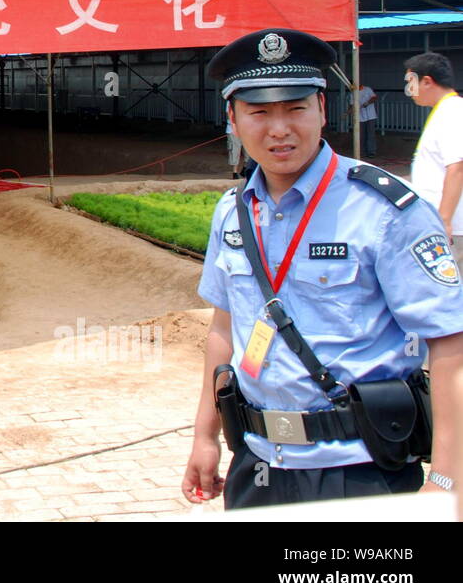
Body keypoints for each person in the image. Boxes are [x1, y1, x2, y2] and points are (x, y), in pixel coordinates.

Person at [182, 28, 463, 509]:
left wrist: (447, 482)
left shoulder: (385, 210)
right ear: (232, 118)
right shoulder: (233, 211)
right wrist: (205, 437)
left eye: (295, 109)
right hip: (258, 462)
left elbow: (450, 342)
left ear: (322, 110)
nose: (279, 129)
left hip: (360, 469)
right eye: (259, 111)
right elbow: (224, 329)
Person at [404, 52, 463, 254]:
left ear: (427, 81)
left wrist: (444, 220)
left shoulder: (452, 112)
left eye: (411, 82)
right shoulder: (444, 110)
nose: (409, 90)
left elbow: (457, 168)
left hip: (452, 227)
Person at [357, 83, 378, 159]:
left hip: (371, 116)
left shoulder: (367, 89)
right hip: (360, 117)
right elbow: (352, 105)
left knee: (370, 134)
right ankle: (361, 152)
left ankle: (371, 152)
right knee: (361, 135)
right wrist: (346, 113)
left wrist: (368, 103)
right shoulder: (353, 93)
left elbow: (374, 97)